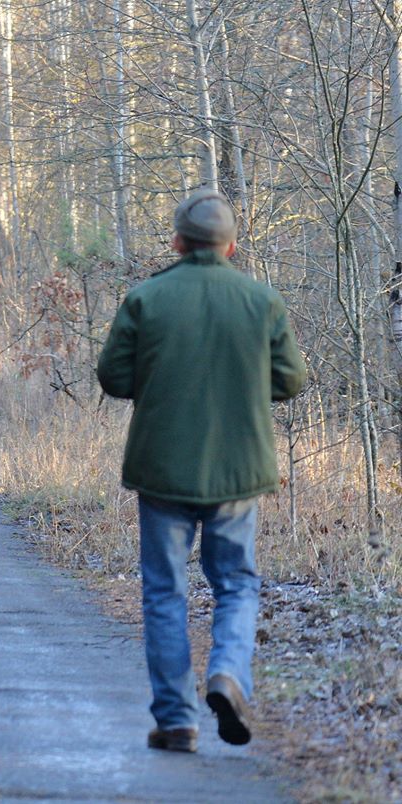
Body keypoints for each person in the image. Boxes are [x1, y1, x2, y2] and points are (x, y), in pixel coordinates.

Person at [96, 189, 306, 753]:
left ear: (177, 242)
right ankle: (229, 675)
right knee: (236, 583)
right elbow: (290, 380)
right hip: (238, 470)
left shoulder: (146, 298)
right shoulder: (262, 302)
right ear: (231, 246)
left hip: (162, 469)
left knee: (164, 591)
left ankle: (176, 721)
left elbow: (114, 378)